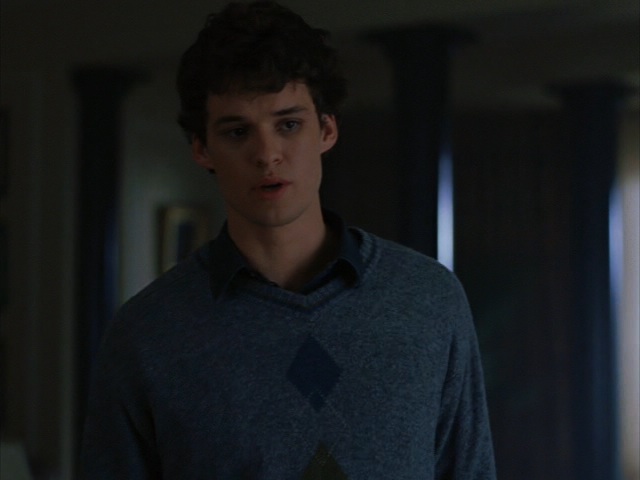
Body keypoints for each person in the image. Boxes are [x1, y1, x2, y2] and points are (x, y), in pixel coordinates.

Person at [80, 2, 497, 479]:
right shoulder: (147, 335)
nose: (267, 154)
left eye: (289, 125)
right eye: (238, 132)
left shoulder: (427, 301)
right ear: (202, 148)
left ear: (327, 129)